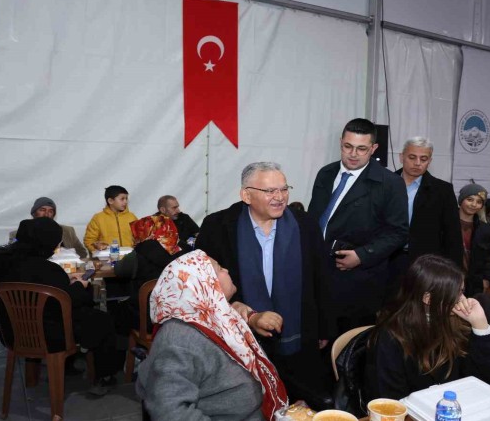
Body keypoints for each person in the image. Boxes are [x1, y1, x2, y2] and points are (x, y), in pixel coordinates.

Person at [197, 162, 333, 408]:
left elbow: (321, 277)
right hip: (239, 336)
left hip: (298, 331)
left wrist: (324, 327)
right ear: (246, 195)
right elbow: (204, 284)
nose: (279, 197)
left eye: (284, 189)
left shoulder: (304, 225)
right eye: (270, 191)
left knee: (298, 400)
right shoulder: (218, 226)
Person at [137, 250, 288, 420]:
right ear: (204, 282)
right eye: (219, 268)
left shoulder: (216, 316)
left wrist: (252, 317)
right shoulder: (178, 337)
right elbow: (169, 411)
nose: (226, 270)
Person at [0, 218, 122, 395]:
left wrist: (66, 281)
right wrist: (79, 285)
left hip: (12, 331)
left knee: (79, 316)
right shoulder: (47, 269)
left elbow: (42, 286)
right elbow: (68, 300)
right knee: (102, 320)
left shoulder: (1, 265)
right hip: (49, 335)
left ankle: (62, 367)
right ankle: (105, 376)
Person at [308, 119, 408, 332]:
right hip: (318, 274)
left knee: (349, 343)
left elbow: (398, 232)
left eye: (361, 149)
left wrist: (362, 256)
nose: (353, 154)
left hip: (359, 281)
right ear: (340, 143)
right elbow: (315, 218)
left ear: (373, 148)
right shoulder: (326, 173)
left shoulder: (390, 183)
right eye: (348, 146)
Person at [363, 255, 490, 402]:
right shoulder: (392, 336)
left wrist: (481, 326)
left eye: (462, 291)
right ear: (428, 299)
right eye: (456, 294)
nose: (463, 300)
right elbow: (391, 400)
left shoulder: (458, 323)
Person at [394, 136, 463, 269]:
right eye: (412, 157)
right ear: (401, 157)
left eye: (423, 159)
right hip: (386, 262)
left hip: (426, 264)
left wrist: (454, 271)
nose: (417, 163)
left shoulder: (442, 191)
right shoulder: (385, 184)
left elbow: (452, 235)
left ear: (429, 161)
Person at [114, 214, 187, 330]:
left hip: (149, 317)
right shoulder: (185, 250)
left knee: (116, 311)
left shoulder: (140, 252)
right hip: (182, 316)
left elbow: (118, 270)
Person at [8, 196, 87, 258]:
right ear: (34, 213)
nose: (46, 214)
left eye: (50, 211)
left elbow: (82, 253)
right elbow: (12, 256)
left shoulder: (68, 231)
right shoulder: (18, 234)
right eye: (42, 210)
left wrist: (67, 256)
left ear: (53, 215)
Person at [457, 183, 490, 295]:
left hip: (474, 283)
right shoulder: (446, 224)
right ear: (461, 200)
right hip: (448, 278)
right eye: (470, 199)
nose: (474, 204)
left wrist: (487, 280)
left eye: (479, 202)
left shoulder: (485, 230)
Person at [84, 185, 138, 252]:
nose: (125, 202)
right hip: (107, 257)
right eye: (122, 199)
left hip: (130, 257)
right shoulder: (98, 218)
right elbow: (89, 241)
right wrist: (97, 247)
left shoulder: (132, 217)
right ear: (110, 201)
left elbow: (139, 238)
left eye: (126, 199)